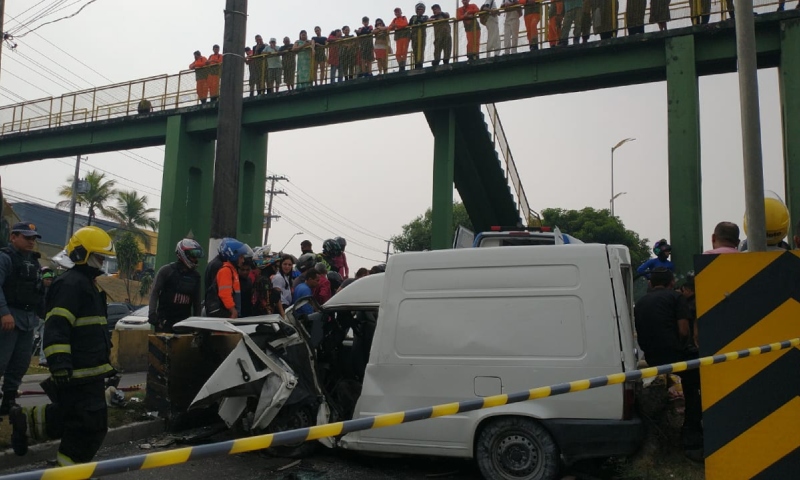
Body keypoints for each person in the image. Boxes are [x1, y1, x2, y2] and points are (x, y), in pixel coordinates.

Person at [9, 226, 117, 463]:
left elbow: (93, 330)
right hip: (76, 370)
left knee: (74, 417)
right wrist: (59, 363)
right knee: (88, 424)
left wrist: (106, 366)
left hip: (89, 369)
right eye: (99, 257)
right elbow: (57, 326)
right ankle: (68, 471)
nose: (101, 262)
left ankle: (25, 423)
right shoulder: (70, 284)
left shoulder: (87, 284)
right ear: (82, 254)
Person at [634, 268, 702, 460]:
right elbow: (683, 331)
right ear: (672, 282)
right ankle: (692, 435)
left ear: (650, 283)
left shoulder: (639, 303)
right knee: (695, 383)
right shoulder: (676, 298)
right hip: (674, 356)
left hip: (652, 357)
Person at [0, 222, 42, 417]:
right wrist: (4, 312)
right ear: (13, 237)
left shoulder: (34, 262)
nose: (31, 241)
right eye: (27, 237)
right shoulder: (5, 258)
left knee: (20, 363)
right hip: (8, 317)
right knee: (1, 362)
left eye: (33, 238)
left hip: (27, 319)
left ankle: (8, 401)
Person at [148, 239, 203, 333]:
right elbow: (154, 292)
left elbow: (197, 302)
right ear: (183, 254)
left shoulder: (196, 276)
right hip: (165, 323)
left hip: (185, 324)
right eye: (193, 255)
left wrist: (196, 325)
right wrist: (152, 314)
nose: (195, 259)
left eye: (197, 256)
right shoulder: (166, 271)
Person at [213, 239, 251, 319]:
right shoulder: (226, 271)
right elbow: (224, 294)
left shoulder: (232, 271)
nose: (243, 260)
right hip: (226, 314)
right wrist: (232, 310)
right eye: (241, 257)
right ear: (234, 256)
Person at [36, 267, 55, 367]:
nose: (49, 281)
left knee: (45, 339)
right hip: (37, 317)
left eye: (50, 280)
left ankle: (43, 359)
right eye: (47, 279)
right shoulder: (37, 289)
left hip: (45, 317)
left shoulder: (51, 291)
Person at [409, 4, 430, 69]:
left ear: (423, 10)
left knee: (421, 49)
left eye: (421, 9)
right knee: (415, 49)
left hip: (421, 35)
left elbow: (424, 21)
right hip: (414, 36)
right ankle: (416, 64)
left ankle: (420, 64)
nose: (420, 10)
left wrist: (420, 21)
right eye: (418, 9)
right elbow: (410, 24)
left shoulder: (425, 17)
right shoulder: (413, 17)